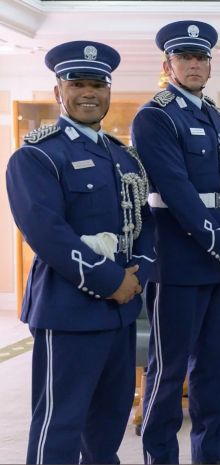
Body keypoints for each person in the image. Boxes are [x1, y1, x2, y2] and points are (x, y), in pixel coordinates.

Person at [6, 40, 154, 464]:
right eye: (77, 84)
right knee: (62, 418)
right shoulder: (37, 155)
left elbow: (145, 222)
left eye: (97, 85)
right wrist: (113, 281)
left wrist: (138, 274)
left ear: (108, 91)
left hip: (122, 308)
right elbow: (47, 234)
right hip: (69, 308)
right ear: (59, 91)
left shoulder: (124, 158)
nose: (89, 93)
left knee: (110, 415)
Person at [131, 20, 220, 464]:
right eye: (184, 57)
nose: (193, 64)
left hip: (216, 268)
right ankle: (160, 455)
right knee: (167, 373)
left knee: (215, 368)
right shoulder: (155, 116)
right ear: (168, 64)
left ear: (209, 65)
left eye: (200, 57)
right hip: (178, 263)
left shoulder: (214, 116)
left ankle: (210, 453)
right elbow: (178, 193)